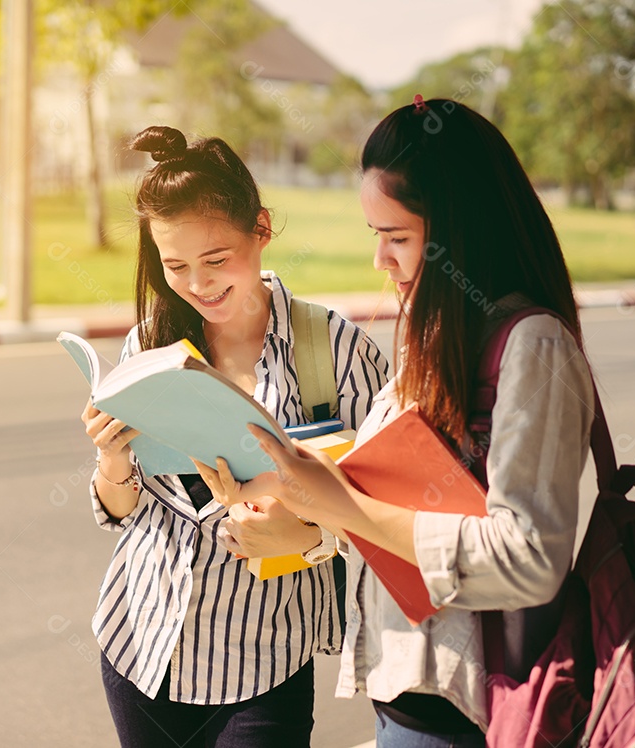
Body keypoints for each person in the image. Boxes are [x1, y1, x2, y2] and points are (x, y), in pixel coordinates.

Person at [196, 98, 595, 745]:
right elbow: (387, 497)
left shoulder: (533, 348)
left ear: (463, 232)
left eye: (398, 237)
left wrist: (343, 510)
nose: (381, 260)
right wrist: (293, 497)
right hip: (407, 695)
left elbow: (530, 559)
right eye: (374, 235)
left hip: (482, 712)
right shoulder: (430, 331)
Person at [80, 125, 388, 747]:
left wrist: (307, 537)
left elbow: (384, 510)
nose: (198, 283)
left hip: (263, 660)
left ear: (262, 229)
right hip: (141, 644)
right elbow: (120, 514)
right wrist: (112, 463)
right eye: (175, 265)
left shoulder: (334, 349)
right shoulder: (151, 344)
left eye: (217, 259)